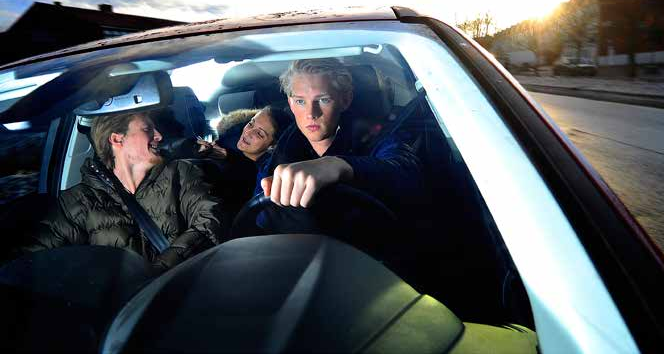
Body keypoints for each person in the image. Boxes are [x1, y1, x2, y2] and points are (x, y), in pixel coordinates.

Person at [232, 58, 422, 247]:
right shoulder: (278, 155)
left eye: (323, 100)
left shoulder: (376, 136)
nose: (311, 113)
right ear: (290, 103)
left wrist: (338, 165)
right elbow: (258, 217)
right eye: (300, 101)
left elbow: (404, 172)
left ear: (345, 100)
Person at [20, 112, 223, 273]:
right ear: (117, 139)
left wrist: (156, 274)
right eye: (147, 129)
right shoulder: (77, 202)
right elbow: (32, 262)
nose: (159, 136)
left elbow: (209, 223)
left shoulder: (181, 173)